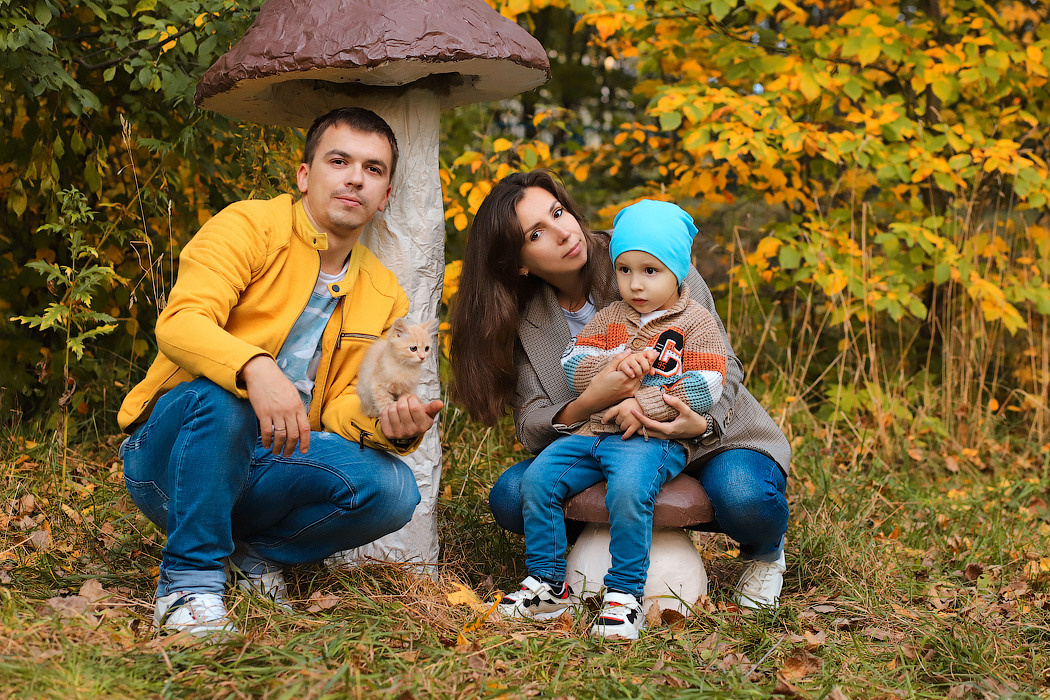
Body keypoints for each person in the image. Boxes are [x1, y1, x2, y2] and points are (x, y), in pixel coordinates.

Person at [117, 107, 442, 637]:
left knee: (393, 489)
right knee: (227, 398)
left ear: (384, 196)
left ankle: (250, 554)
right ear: (305, 176)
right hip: (170, 458)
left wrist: (385, 423)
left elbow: (341, 404)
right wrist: (254, 365)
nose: (355, 177)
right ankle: (189, 585)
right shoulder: (250, 226)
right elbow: (181, 323)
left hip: (274, 462)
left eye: (374, 169)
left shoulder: (383, 293)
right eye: (339, 160)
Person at [449, 170, 790, 621]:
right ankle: (566, 573)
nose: (563, 232)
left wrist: (696, 422)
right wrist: (595, 398)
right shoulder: (525, 319)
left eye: (558, 212)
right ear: (519, 263)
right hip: (608, 443)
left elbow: (724, 368)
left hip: (708, 435)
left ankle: (766, 555)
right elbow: (531, 425)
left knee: (745, 494)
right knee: (514, 493)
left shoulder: (645, 250)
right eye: (536, 233)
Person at [496, 199, 730, 639]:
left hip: (650, 439)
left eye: (650, 271)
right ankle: (548, 583)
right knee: (539, 479)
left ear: (678, 272)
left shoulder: (694, 323)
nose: (635, 284)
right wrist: (610, 369)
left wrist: (643, 404)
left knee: (628, 491)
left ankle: (624, 595)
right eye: (624, 271)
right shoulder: (610, 318)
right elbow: (574, 362)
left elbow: (706, 383)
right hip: (592, 433)